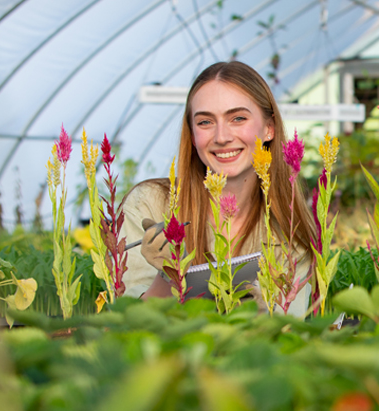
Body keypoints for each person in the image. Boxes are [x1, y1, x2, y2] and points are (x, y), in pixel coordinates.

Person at [121, 61, 316, 315]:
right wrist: (168, 275)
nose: (222, 137)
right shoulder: (151, 204)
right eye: (205, 122)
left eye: (238, 118)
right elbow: (127, 324)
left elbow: (288, 332)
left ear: (269, 128)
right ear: (192, 134)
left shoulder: (289, 232)